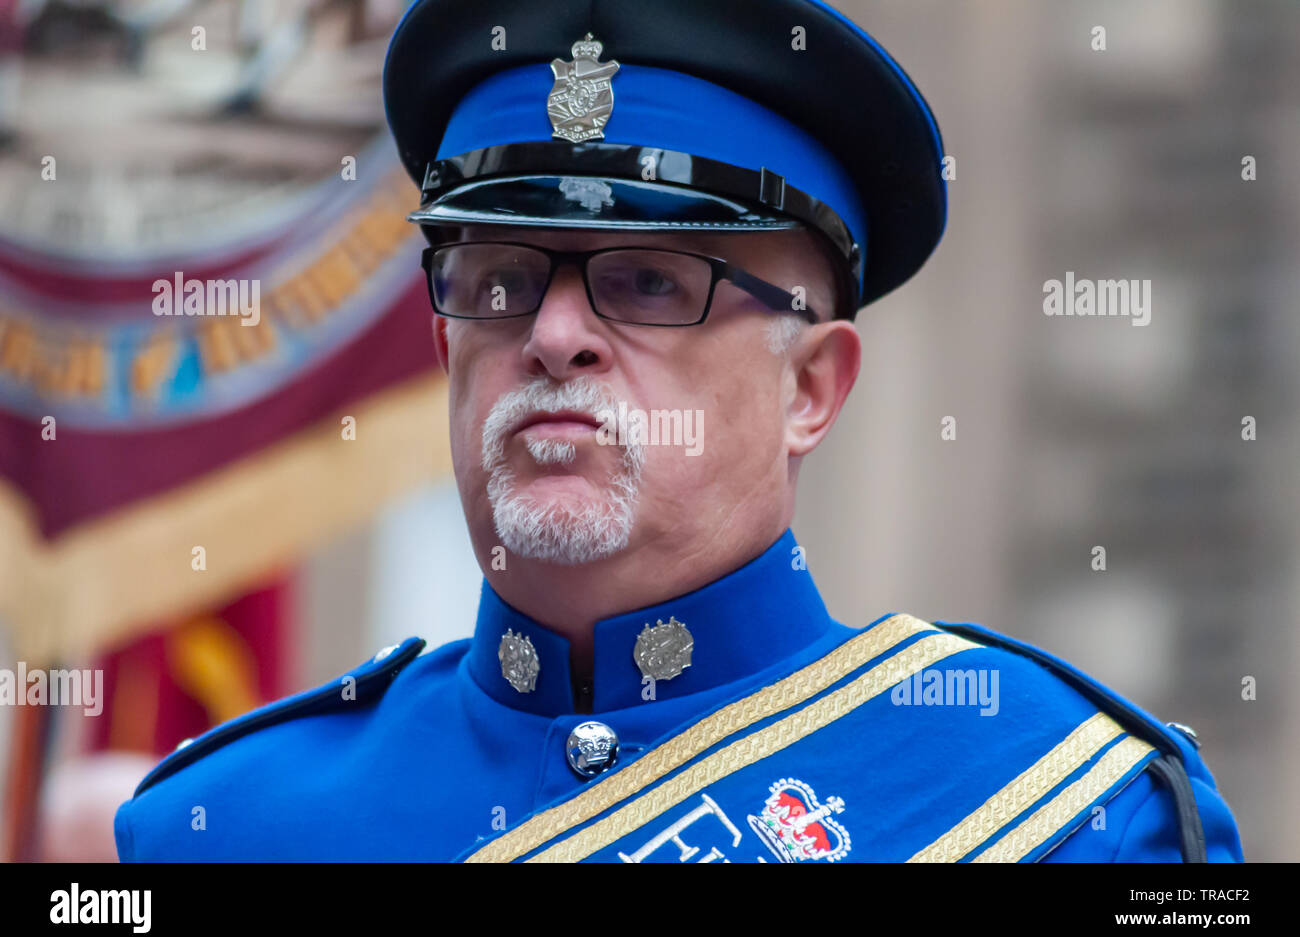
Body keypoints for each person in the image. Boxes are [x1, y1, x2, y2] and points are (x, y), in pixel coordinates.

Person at [113, 0, 1243, 863]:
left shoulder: (1061, 806)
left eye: (649, 282)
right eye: (499, 278)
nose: (554, 334)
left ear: (812, 386)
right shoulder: (219, 828)